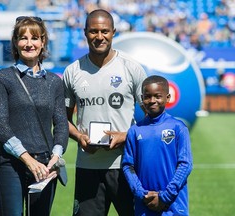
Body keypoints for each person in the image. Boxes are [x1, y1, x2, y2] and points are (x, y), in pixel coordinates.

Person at [63, 9, 147, 216]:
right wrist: (80, 137)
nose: (99, 37)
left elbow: (152, 120)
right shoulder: (72, 71)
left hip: (127, 166)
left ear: (113, 32)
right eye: (93, 31)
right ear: (85, 33)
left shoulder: (131, 68)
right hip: (87, 167)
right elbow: (62, 120)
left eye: (104, 31)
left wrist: (125, 136)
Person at [0, 16, 69, 216]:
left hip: (45, 166)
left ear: (43, 43)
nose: (29, 43)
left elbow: (61, 124)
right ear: (15, 43)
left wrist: (56, 156)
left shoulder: (54, 82)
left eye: (34, 38)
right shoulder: (3, 77)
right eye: (23, 38)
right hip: (11, 164)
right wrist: (27, 159)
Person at [122, 75, 193, 215]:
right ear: (142, 98)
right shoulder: (135, 131)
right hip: (144, 204)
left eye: (157, 96)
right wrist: (142, 194)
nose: (152, 100)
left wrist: (164, 197)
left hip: (173, 205)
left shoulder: (178, 127)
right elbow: (127, 165)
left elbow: (185, 164)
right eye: (147, 96)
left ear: (168, 97)